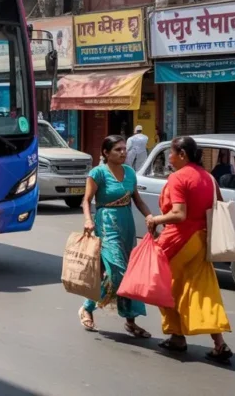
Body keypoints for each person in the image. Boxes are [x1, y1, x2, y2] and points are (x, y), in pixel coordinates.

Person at [146, 136, 232, 363]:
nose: (170, 159)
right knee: (204, 291)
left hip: (178, 240)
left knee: (164, 287)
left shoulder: (178, 178)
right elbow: (217, 205)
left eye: (171, 154)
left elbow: (179, 214)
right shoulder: (209, 177)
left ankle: (177, 337)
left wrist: (155, 219)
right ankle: (219, 343)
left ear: (182, 154)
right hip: (202, 240)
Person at [77, 135, 153, 339]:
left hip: (126, 224)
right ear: (105, 153)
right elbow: (86, 200)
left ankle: (130, 320)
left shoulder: (129, 173)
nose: (122, 152)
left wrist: (150, 217)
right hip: (107, 222)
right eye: (117, 149)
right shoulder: (98, 173)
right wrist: (87, 219)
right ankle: (87, 307)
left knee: (129, 273)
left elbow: (137, 199)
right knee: (117, 272)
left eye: (123, 149)